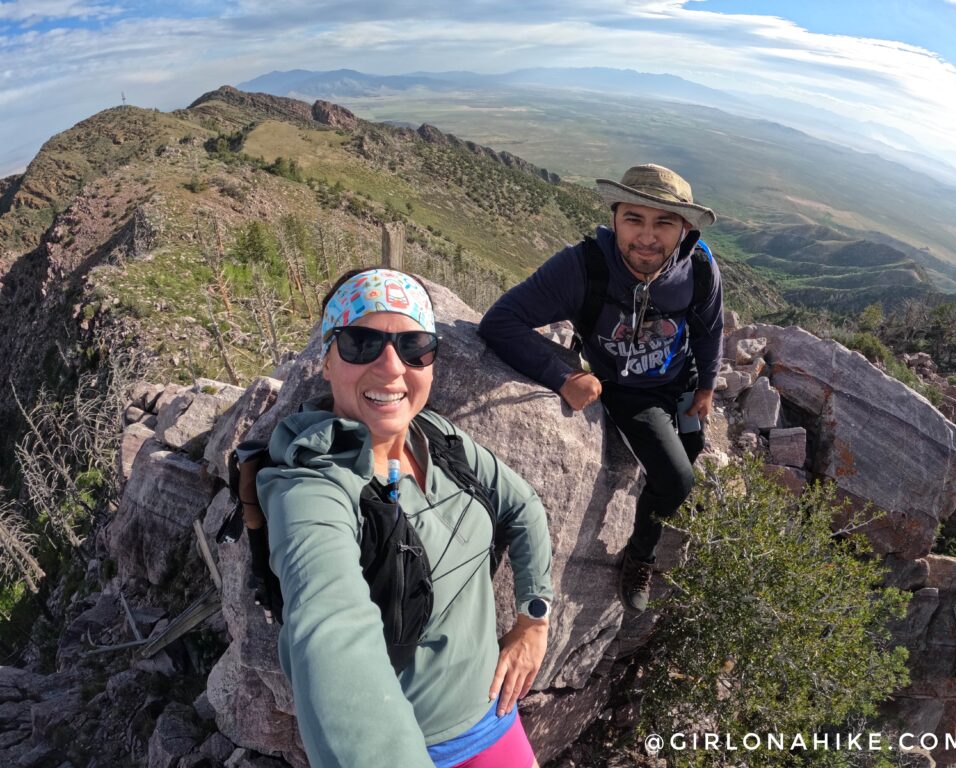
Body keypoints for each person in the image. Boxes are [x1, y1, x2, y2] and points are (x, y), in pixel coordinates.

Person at [256, 267, 554, 768]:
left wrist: (534, 620)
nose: (392, 367)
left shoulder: (436, 438)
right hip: (414, 748)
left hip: (495, 719)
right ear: (327, 359)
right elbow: (330, 630)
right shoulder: (311, 488)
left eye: (414, 345)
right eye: (360, 343)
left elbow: (523, 506)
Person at [479, 164, 723, 615]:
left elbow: (710, 329)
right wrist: (563, 377)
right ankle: (641, 555)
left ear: (684, 229)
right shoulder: (582, 267)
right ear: (615, 218)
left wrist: (706, 384)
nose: (647, 237)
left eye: (664, 222)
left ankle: (665, 496)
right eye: (635, 218)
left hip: (684, 380)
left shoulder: (700, 267)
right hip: (631, 391)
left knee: (689, 451)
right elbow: (500, 322)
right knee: (677, 480)